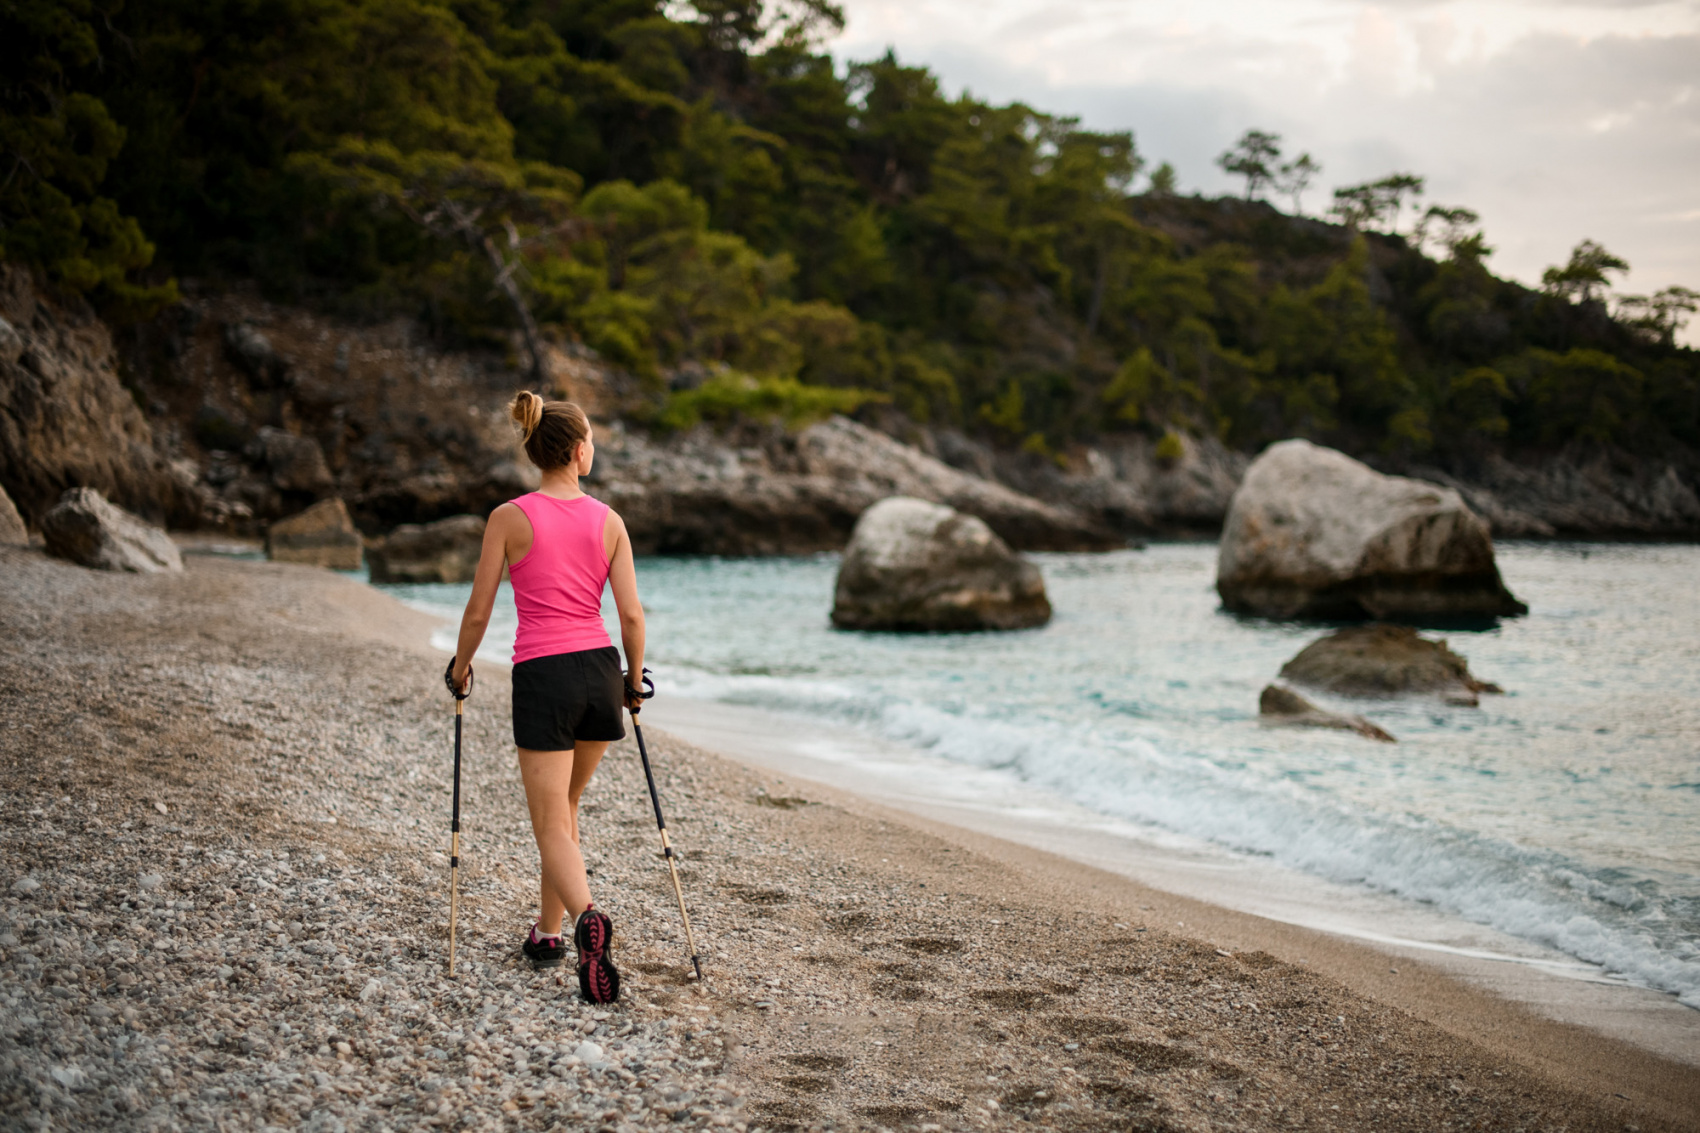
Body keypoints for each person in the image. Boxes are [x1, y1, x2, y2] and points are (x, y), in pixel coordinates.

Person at [447, 392, 646, 1005]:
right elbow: (632, 616)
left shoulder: (509, 517)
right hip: (599, 672)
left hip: (544, 674)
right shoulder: (609, 520)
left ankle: (589, 919)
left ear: (536, 450)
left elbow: (480, 610)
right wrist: (633, 682)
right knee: (566, 809)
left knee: (549, 821)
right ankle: (549, 932)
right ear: (580, 451)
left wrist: (460, 667)